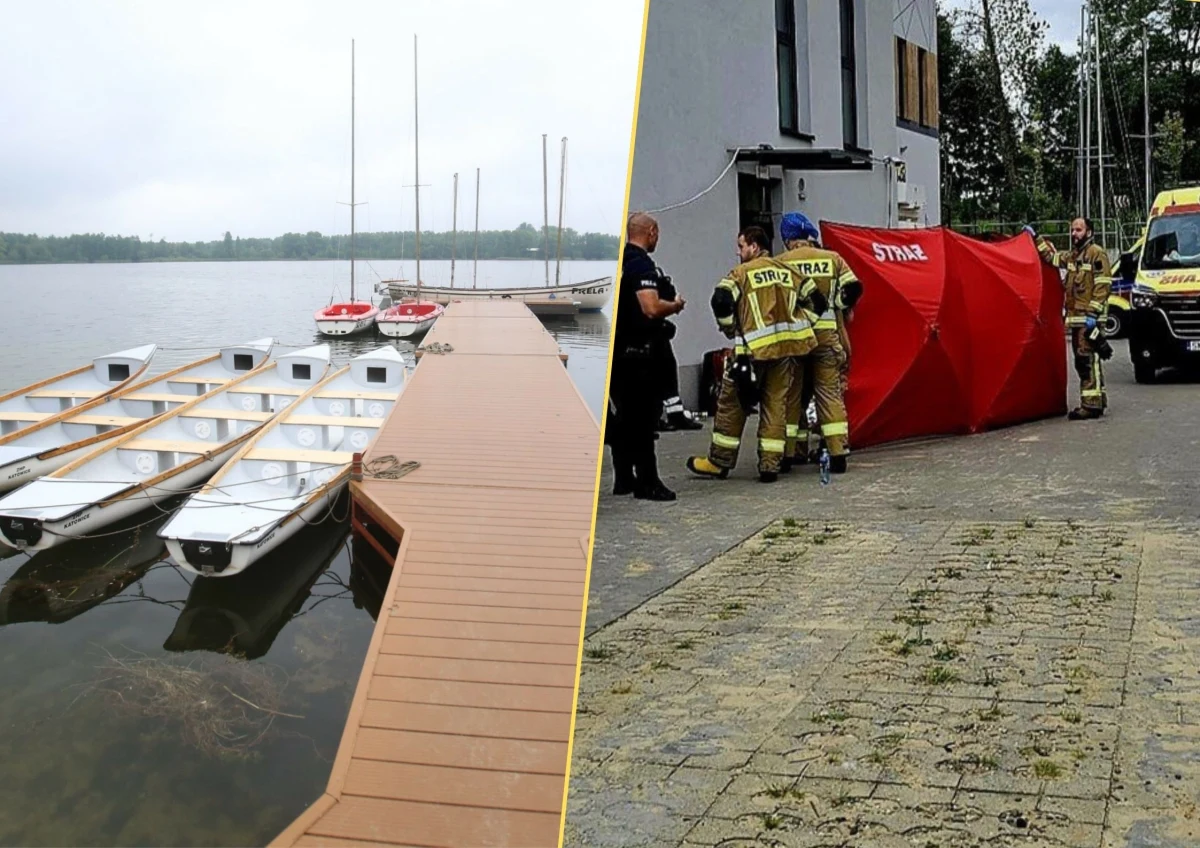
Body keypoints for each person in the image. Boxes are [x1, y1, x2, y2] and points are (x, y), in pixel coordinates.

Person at [685, 226, 824, 483]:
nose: (738, 252)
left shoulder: (742, 274)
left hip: (750, 354)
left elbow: (721, 300)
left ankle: (719, 462)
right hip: (784, 353)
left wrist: (729, 328)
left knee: (732, 406)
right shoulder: (787, 271)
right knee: (775, 406)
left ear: (755, 246)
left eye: (741, 246)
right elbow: (818, 301)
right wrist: (802, 325)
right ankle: (770, 466)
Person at [775, 212, 862, 474]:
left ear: (788, 239)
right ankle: (837, 453)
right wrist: (838, 305)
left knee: (792, 396)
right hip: (826, 338)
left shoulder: (780, 262)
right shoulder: (833, 258)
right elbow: (854, 289)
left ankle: (789, 455)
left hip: (795, 339)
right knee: (829, 394)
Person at [606, 212, 685, 500]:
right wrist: (674, 305)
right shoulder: (640, 264)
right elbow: (650, 307)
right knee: (642, 419)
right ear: (651, 232)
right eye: (657, 234)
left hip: (616, 351)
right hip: (637, 355)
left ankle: (624, 478)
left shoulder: (618, 262)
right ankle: (648, 482)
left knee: (626, 417)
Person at [1028, 217, 1113, 420]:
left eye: (1079, 230)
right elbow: (1052, 258)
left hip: (1088, 318)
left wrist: (1093, 313)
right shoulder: (1074, 256)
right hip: (1077, 319)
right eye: (1073, 230)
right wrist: (1036, 238)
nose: (1074, 234)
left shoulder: (1096, 254)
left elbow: (1103, 285)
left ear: (1089, 232)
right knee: (1087, 360)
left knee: (1085, 359)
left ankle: (1090, 406)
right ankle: (1097, 400)